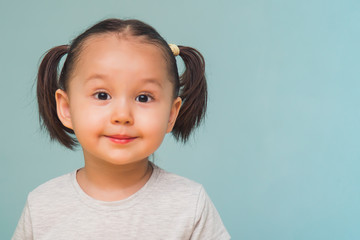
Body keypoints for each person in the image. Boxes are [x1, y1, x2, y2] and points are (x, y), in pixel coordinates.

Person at [12, 18, 230, 240]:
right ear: (66, 108)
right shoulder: (42, 206)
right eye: (102, 95)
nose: (123, 116)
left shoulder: (190, 205)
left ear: (171, 114)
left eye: (143, 97)